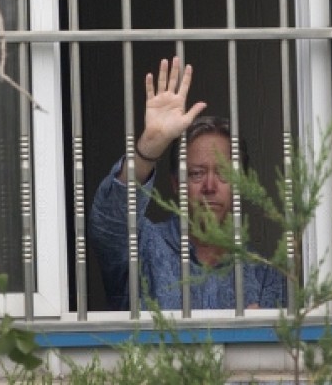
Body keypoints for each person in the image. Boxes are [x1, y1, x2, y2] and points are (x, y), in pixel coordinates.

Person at [88, 57, 285, 310]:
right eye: (196, 174)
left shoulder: (264, 274)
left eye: (224, 173)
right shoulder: (144, 247)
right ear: (175, 184)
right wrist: (149, 147)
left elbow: (281, 348)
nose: (210, 186)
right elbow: (108, 222)